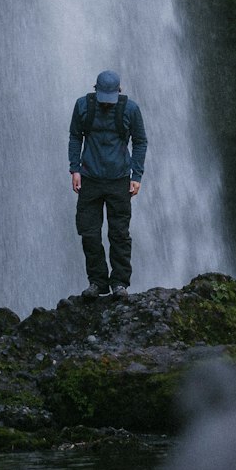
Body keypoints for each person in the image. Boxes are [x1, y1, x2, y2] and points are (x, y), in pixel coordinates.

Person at [68, 70, 147, 299]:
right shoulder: (83, 106)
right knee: (89, 233)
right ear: (96, 90)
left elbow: (140, 141)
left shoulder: (130, 110)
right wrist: (75, 169)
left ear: (118, 92)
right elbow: (75, 136)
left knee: (119, 234)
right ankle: (97, 282)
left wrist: (136, 175)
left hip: (119, 180)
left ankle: (120, 283)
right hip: (90, 178)